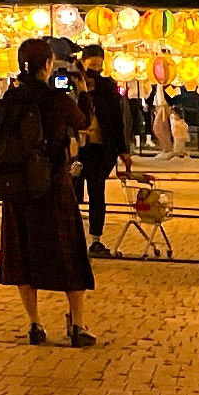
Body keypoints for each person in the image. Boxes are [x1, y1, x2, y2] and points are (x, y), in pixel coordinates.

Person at [0, 39, 94, 347]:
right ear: (47, 65)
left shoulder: (9, 100)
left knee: (21, 255)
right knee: (68, 253)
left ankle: (34, 323)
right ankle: (78, 325)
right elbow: (83, 122)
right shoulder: (55, 99)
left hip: (16, 189)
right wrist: (83, 91)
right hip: (52, 187)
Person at [74, 47, 130, 258]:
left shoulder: (107, 87)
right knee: (71, 194)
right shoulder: (71, 84)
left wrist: (123, 150)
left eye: (99, 65)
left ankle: (95, 240)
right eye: (92, 64)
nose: (95, 69)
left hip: (99, 148)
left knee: (97, 193)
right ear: (83, 62)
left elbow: (116, 121)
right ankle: (71, 240)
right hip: (75, 150)